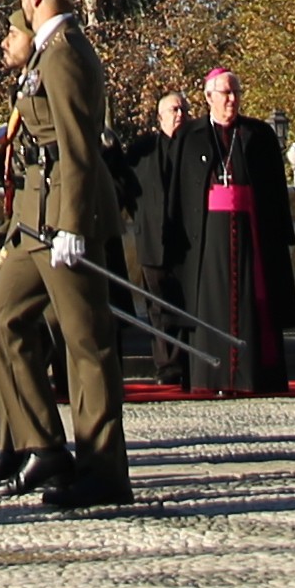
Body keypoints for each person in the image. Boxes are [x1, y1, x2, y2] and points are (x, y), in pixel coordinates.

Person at [0, 0, 131, 508]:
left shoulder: (64, 56)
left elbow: (77, 145)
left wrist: (73, 224)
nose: (21, 3)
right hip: (35, 218)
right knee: (0, 323)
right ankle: (44, 443)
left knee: (87, 345)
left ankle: (104, 470)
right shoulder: (47, 54)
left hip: (64, 216)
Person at [171, 68, 295, 393]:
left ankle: (253, 376)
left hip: (252, 234)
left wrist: (283, 234)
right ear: (208, 97)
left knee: (254, 302)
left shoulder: (259, 135)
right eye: (225, 93)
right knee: (210, 304)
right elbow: (179, 194)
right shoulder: (190, 136)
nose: (232, 99)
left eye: (236, 92)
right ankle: (211, 377)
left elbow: (276, 193)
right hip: (207, 239)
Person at [120, 92, 191, 384]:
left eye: (185, 109)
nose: (181, 114)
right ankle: (167, 366)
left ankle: (190, 363)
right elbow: (123, 184)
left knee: (189, 303)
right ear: (159, 116)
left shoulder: (196, 144)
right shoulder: (142, 149)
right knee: (159, 306)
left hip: (189, 240)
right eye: (174, 109)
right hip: (152, 237)